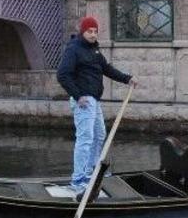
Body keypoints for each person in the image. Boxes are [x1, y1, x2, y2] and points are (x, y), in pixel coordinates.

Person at [56, 15, 136, 196]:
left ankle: (92, 172)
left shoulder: (95, 50)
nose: (93, 35)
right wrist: (77, 96)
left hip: (94, 100)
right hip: (84, 100)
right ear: (82, 32)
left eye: (95, 32)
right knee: (85, 139)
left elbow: (107, 69)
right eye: (89, 31)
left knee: (99, 135)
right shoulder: (74, 49)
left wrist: (127, 79)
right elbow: (62, 75)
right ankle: (78, 180)